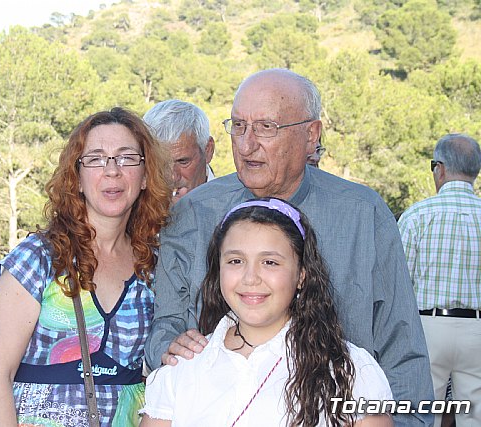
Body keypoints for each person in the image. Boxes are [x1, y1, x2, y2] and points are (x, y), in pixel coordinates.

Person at [145, 68, 433, 426]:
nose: (247, 144)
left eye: (266, 128)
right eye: (238, 126)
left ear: (311, 135)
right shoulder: (191, 214)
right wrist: (170, 349)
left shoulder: (364, 213)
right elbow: (167, 324)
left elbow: (401, 343)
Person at [0, 107, 171, 426]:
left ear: (145, 177)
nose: (112, 171)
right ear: (78, 178)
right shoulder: (39, 258)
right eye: (96, 158)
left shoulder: (154, 266)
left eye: (126, 157)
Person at [141, 199, 393, 426]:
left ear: (302, 275)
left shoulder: (351, 370)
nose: (250, 278)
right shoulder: (182, 368)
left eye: (270, 262)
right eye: (235, 261)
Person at [398, 133, 481, 426]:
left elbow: (400, 284)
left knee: (422, 413)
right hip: (477, 330)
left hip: (427, 327)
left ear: (440, 169)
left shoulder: (416, 215)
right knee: (474, 415)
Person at [143, 99, 215, 203]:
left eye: (183, 162)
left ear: (208, 150)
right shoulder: (130, 207)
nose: (172, 176)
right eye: (161, 164)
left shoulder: (238, 206)